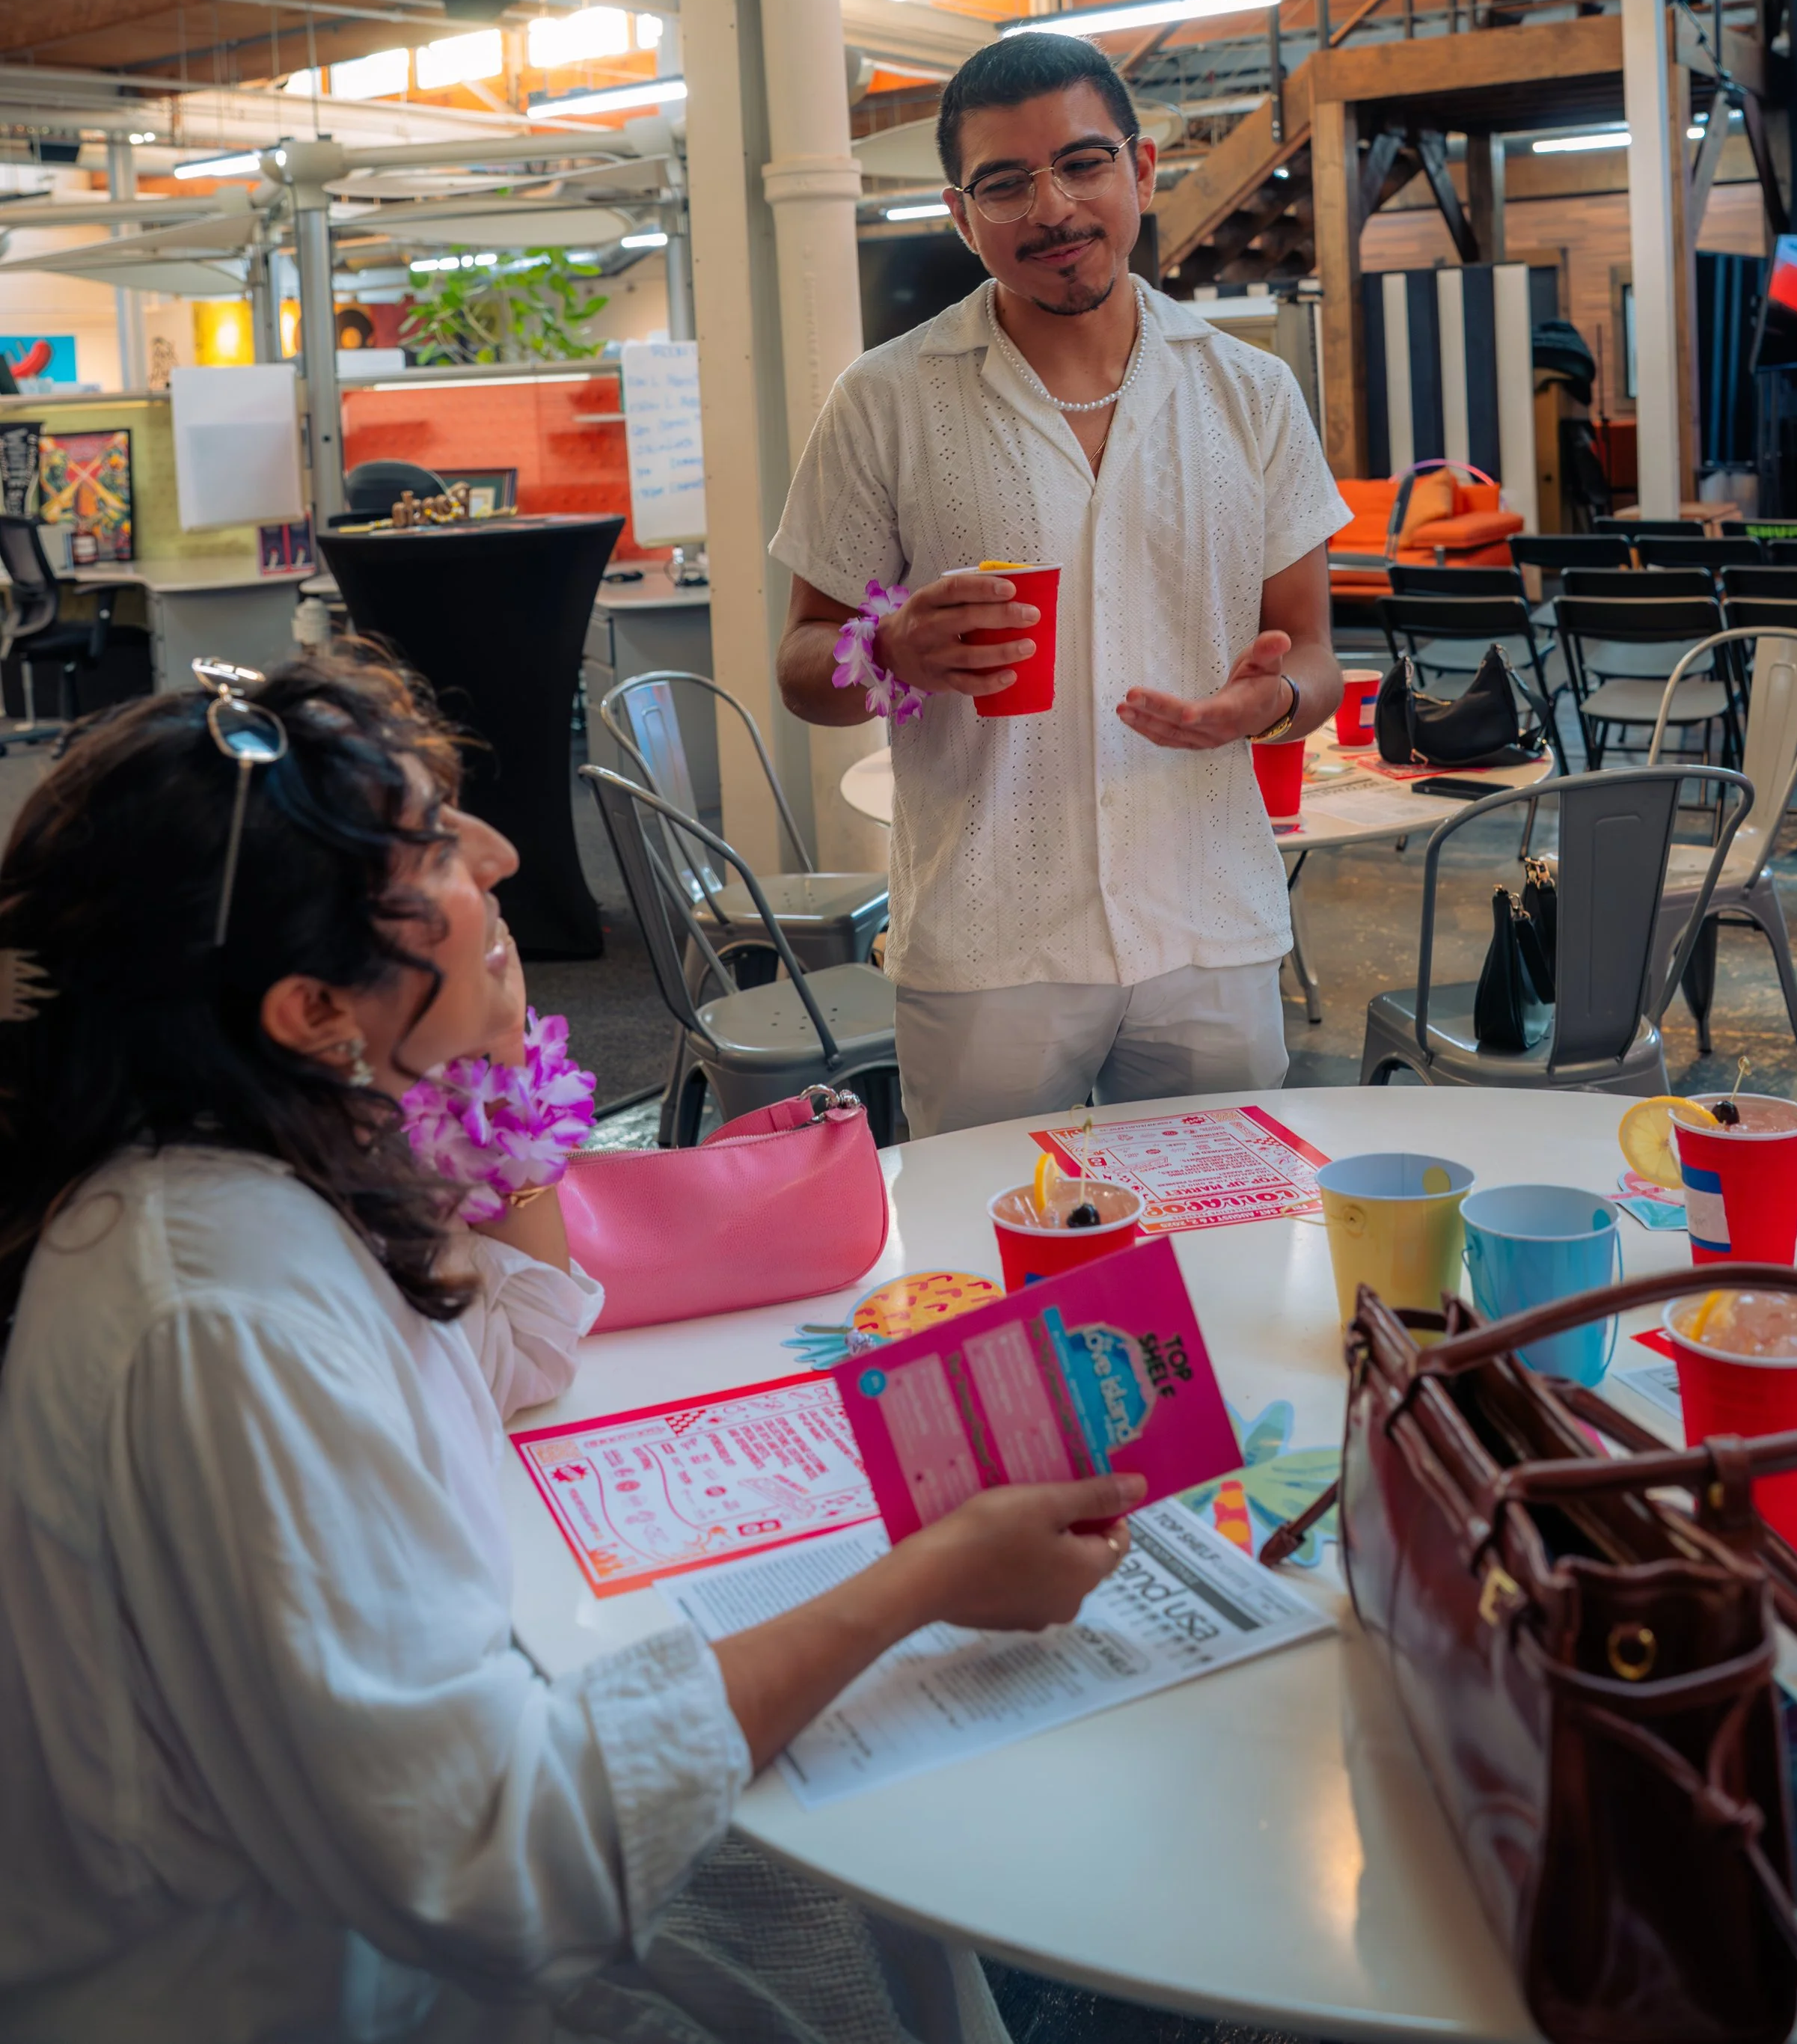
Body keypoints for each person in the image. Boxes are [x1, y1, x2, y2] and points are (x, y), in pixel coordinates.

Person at [0, 655, 1139, 2044]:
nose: (502, 854)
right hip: (300, 1992)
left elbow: (516, 1343)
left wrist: (471, 1050)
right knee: (853, 1858)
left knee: (859, 1864)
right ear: (308, 1014)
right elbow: (487, 1859)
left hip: (377, 1909)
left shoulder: (258, 1167)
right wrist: (921, 1583)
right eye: (433, 847)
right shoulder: (218, 1318)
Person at [774, 31, 1350, 1136]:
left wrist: (1270, 704)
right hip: (994, 942)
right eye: (1006, 183)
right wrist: (891, 653)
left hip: (1208, 925)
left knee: (1217, 1255)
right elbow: (805, 665)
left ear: (1138, 173)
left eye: (1083, 164)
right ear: (961, 213)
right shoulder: (886, 400)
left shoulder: (1252, 393)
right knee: (987, 1266)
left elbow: (1313, 657)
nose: (1052, 208)